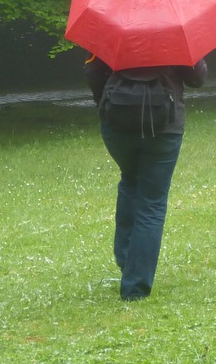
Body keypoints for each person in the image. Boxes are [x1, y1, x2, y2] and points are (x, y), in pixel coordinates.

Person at [84, 55, 207, 301]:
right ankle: (135, 288)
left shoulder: (112, 27)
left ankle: (126, 257)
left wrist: (105, 106)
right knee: (152, 203)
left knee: (130, 180)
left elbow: (92, 74)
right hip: (164, 127)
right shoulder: (175, 30)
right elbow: (197, 78)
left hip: (117, 124)